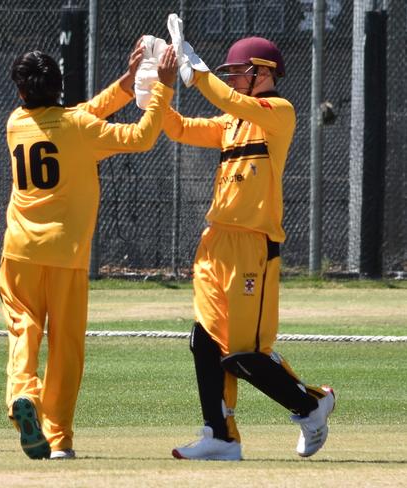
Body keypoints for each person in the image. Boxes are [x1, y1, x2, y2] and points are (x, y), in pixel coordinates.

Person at [160, 35, 335, 460]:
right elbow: (177, 128)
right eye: (232, 73)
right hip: (215, 242)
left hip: (253, 245)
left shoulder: (279, 112)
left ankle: (312, 403)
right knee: (203, 341)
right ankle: (220, 435)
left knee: (242, 354)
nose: (235, 78)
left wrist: (199, 75)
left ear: (266, 72)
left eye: (241, 71)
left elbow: (233, 101)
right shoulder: (230, 122)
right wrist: (160, 89)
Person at [0, 44, 177, 460]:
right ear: (60, 86)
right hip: (67, 253)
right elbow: (142, 136)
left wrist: (127, 83)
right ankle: (58, 438)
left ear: (21, 92)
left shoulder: (15, 123)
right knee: (66, 347)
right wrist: (160, 89)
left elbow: (81, 114)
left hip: (20, 251)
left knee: (24, 331)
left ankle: (23, 396)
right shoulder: (79, 126)